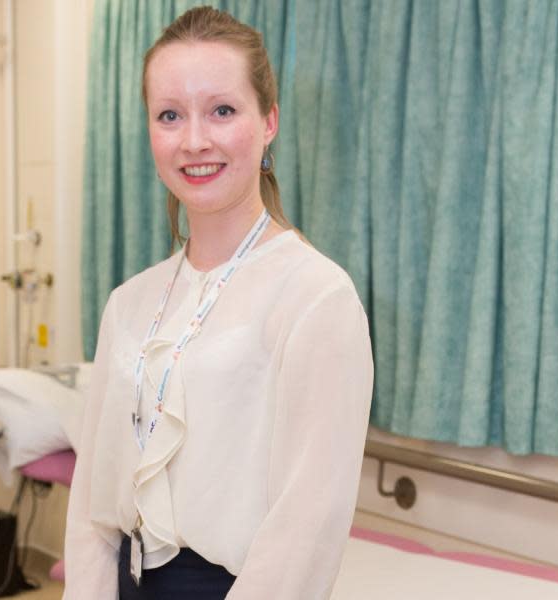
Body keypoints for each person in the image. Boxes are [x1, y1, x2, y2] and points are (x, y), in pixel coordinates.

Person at [65, 6, 373, 599]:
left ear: (270, 122)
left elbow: (304, 532)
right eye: (170, 115)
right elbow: (89, 509)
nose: (194, 140)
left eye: (223, 110)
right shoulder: (130, 303)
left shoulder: (314, 297)